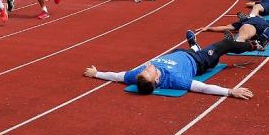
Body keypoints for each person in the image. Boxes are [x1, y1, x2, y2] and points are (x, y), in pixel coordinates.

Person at [83, 31, 256, 98]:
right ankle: (255, 45)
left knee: (186, 49)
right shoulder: (175, 80)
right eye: (149, 70)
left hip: (178, 53)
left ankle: (194, 46)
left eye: (144, 70)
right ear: (157, 79)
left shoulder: (136, 76)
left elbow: (116, 76)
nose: (146, 67)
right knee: (225, 44)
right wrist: (230, 92)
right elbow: (202, 87)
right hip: (199, 61)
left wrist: (96, 73)